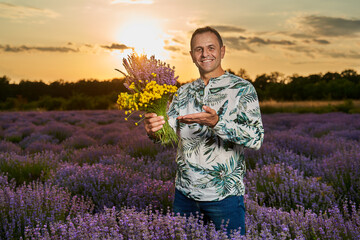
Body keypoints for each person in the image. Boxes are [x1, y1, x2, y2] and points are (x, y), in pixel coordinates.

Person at [144, 26, 264, 236]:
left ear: (222, 51)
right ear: (192, 56)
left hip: (224, 197)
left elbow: (256, 138)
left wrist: (217, 123)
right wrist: (154, 131)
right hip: (185, 196)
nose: (205, 54)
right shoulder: (182, 92)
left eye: (211, 47)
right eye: (198, 49)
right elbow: (167, 135)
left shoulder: (243, 89)